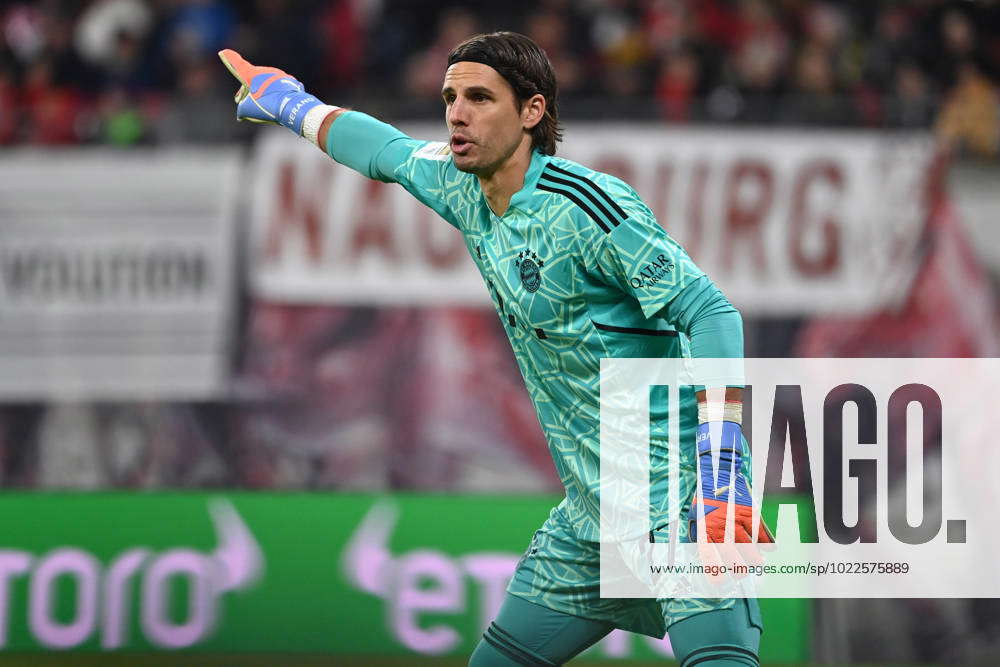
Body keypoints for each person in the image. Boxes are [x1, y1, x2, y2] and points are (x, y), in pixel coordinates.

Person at [220, 31, 772, 667]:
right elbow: (386, 150)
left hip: (682, 501)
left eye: (479, 98)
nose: (457, 112)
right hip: (591, 519)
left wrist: (721, 473)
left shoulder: (588, 206)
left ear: (532, 113)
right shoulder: (461, 185)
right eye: (451, 97)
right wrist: (291, 103)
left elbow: (711, 313)